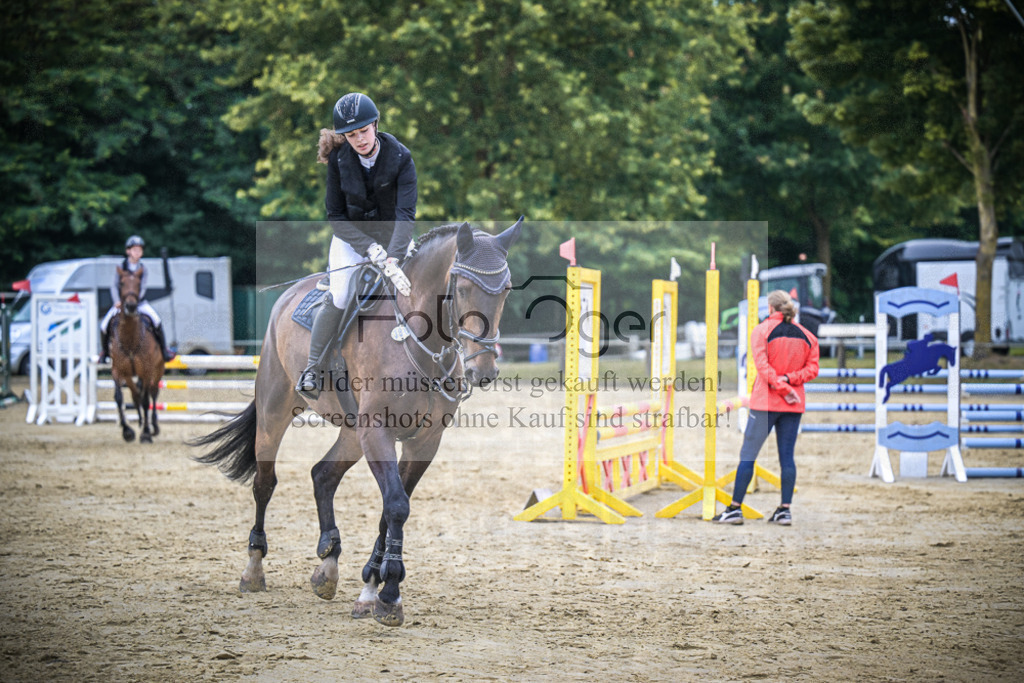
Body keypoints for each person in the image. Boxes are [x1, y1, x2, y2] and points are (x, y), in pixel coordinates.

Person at [295, 92, 418, 399]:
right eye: (351, 135)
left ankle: (435, 360)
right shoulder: (339, 160)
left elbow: (405, 215)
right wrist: (368, 248)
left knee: (419, 285)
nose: (360, 139)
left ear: (375, 125)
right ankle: (313, 367)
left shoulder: (402, 158)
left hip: (395, 238)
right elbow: (335, 215)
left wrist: (394, 256)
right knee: (339, 294)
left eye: (364, 131)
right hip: (351, 239)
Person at [713, 289, 819, 526]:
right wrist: (790, 382)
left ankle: (735, 508)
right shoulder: (808, 337)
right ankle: (785, 509)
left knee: (748, 455)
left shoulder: (761, 331)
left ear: (770, 309)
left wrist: (781, 385)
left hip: (766, 402)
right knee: (787, 458)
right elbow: (812, 370)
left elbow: (763, 367)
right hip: (793, 403)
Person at [99, 235, 176, 363]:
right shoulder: (121, 266)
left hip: (139, 303)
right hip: (121, 304)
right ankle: (105, 353)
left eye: (139, 250)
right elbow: (114, 285)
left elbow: (143, 287)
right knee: (104, 325)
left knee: (156, 321)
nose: (137, 252)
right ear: (128, 251)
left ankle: (164, 351)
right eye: (135, 250)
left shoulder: (143, 268)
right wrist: (117, 301)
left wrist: (135, 301)